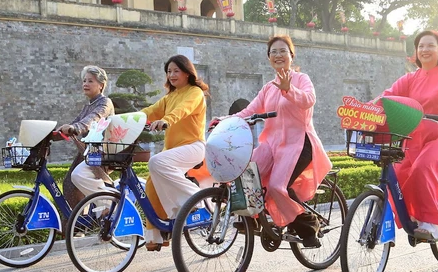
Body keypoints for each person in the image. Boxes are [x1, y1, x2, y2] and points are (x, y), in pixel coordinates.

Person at [225, 35, 331, 248]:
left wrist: (288, 89)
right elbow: (249, 111)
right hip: (272, 146)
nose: (278, 55)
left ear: (292, 56)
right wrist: (223, 120)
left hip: (299, 143)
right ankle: (253, 218)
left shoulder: (302, 79)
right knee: (245, 173)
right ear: (269, 58)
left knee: (276, 186)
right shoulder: (268, 87)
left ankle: (308, 226)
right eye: (274, 52)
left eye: (283, 51)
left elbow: (308, 100)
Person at [380, 30, 438, 242]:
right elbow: (387, 97)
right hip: (415, 137)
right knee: (399, 170)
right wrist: (364, 111)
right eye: (421, 46)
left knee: (423, 168)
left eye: (430, 46)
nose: (424, 50)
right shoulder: (410, 79)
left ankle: (431, 225)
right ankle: (412, 215)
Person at [141, 55, 209, 249]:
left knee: (155, 162)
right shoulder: (169, 97)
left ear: (187, 73)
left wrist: (167, 120)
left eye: (176, 71)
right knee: (151, 184)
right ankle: (157, 236)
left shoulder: (195, 92)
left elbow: (183, 109)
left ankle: (195, 200)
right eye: (169, 71)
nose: (171, 75)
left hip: (193, 147)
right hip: (172, 151)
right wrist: (125, 120)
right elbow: (149, 111)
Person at [63, 66, 115, 208]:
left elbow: (93, 119)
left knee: (78, 176)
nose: (85, 84)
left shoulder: (105, 103)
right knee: (69, 185)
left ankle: (108, 206)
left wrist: (76, 128)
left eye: (90, 81)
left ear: (101, 85)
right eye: (84, 80)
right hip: (88, 152)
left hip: (101, 154)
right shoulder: (88, 106)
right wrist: (53, 134)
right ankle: (79, 225)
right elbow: (76, 122)